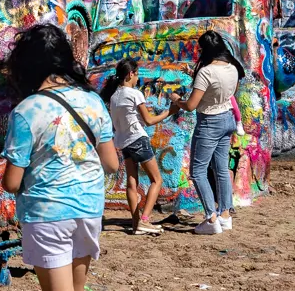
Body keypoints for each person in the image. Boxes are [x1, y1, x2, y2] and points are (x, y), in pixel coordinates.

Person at [0, 23, 120, 291]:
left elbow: (13, 182)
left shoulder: (27, 111)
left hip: (48, 215)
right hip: (90, 210)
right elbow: (112, 163)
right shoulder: (92, 101)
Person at [171, 31, 245, 236]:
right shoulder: (232, 68)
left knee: (198, 171)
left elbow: (191, 105)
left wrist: (177, 99)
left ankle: (211, 217)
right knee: (221, 169)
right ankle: (225, 215)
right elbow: (229, 94)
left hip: (209, 122)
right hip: (227, 118)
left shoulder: (206, 72)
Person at [102, 60, 179, 236]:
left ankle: (136, 222)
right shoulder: (134, 94)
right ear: (131, 74)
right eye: (137, 75)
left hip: (123, 142)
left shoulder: (114, 97)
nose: (138, 79)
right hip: (138, 139)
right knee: (157, 180)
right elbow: (149, 121)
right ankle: (144, 220)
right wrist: (170, 112)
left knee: (131, 182)